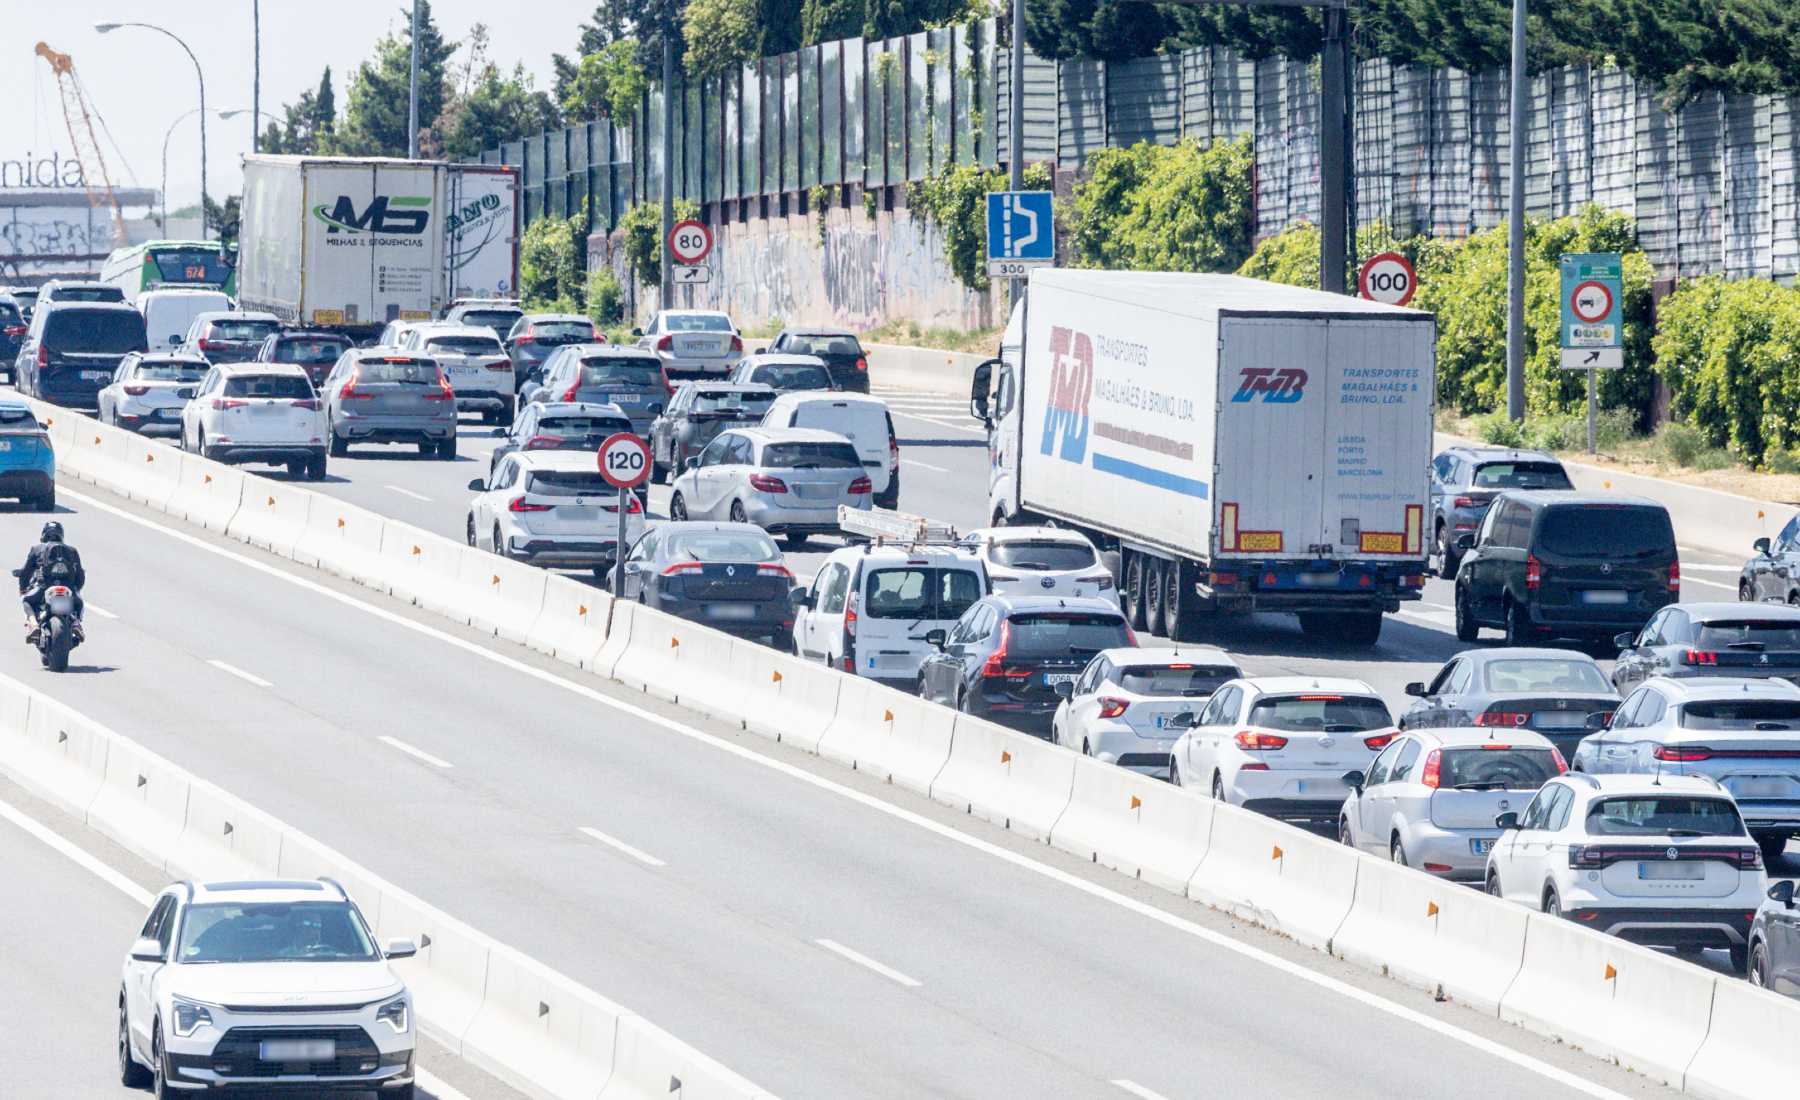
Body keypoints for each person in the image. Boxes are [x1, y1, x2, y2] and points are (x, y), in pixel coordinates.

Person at [19, 521, 84, 641]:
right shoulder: (72, 550)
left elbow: (25, 572)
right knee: (79, 603)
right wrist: (76, 588)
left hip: (44, 587)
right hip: (68, 587)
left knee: (26, 601)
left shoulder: (36, 549)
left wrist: (23, 588)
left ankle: (33, 625)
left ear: (44, 534)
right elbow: (80, 575)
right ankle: (76, 623)